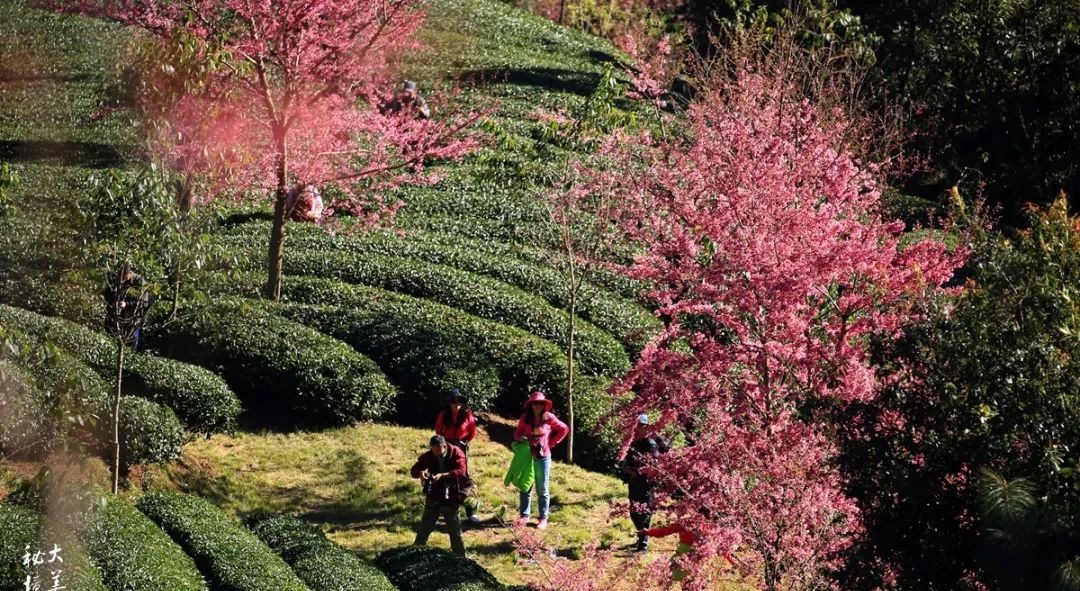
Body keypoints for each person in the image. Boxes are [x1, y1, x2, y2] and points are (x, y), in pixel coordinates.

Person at [513, 391, 569, 530]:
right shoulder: (525, 418)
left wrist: (552, 443)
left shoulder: (549, 417)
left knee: (542, 489)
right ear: (530, 405)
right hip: (527, 457)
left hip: (543, 458)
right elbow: (517, 433)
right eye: (535, 403)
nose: (537, 406)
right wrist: (520, 439)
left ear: (544, 405)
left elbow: (564, 429)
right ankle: (524, 516)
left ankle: (543, 518)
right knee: (525, 486)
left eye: (540, 403)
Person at [410, 435, 467, 556]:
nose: (436, 453)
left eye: (438, 450)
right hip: (434, 494)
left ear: (444, 446)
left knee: (454, 528)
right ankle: (415, 553)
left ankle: (460, 557)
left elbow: (461, 471)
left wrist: (443, 475)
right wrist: (420, 473)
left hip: (452, 493)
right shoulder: (429, 455)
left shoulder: (456, 452)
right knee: (425, 526)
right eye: (433, 450)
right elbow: (414, 470)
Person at [622, 413, 669, 551]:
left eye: (640, 425)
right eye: (635, 425)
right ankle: (641, 537)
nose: (636, 428)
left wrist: (637, 471)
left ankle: (643, 543)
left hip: (646, 483)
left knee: (644, 511)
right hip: (633, 482)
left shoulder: (650, 443)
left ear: (645, 427)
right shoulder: (634, 442)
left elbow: (654, 465)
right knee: (634, 511)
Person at [434, 389, 480, 524]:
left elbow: (472, 432)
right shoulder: (443, 415)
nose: (456, 404)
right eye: (454, 401)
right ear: (449, 403)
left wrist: (463, 443)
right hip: (446, 448)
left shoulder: (467, 415)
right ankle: (447, 511)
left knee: (464, 478)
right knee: (446, 477)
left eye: (459, 401)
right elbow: (438, 431)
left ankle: (470, 512)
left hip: (461, 447)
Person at [103, 262, 150, 349]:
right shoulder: (116, 280)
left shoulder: (140, 283)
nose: (122, 280)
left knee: (131, 343)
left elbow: (144, 303)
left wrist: (127, 304)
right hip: (117, 318)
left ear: (129, 273)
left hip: (133, 319)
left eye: (124, 277)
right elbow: (107, 294)